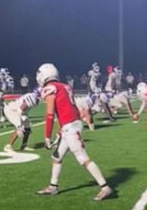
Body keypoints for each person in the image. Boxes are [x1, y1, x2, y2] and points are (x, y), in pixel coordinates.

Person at [35, 63, 113, 201]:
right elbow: (69, 108)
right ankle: (53, 186)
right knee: (56, 157)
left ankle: (105, 187)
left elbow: (50, 114)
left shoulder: (50, 88)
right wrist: (62, 129)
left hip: (70, 126)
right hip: (71, 123)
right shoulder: (64, 86)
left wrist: (47, 136)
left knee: (82, 158)